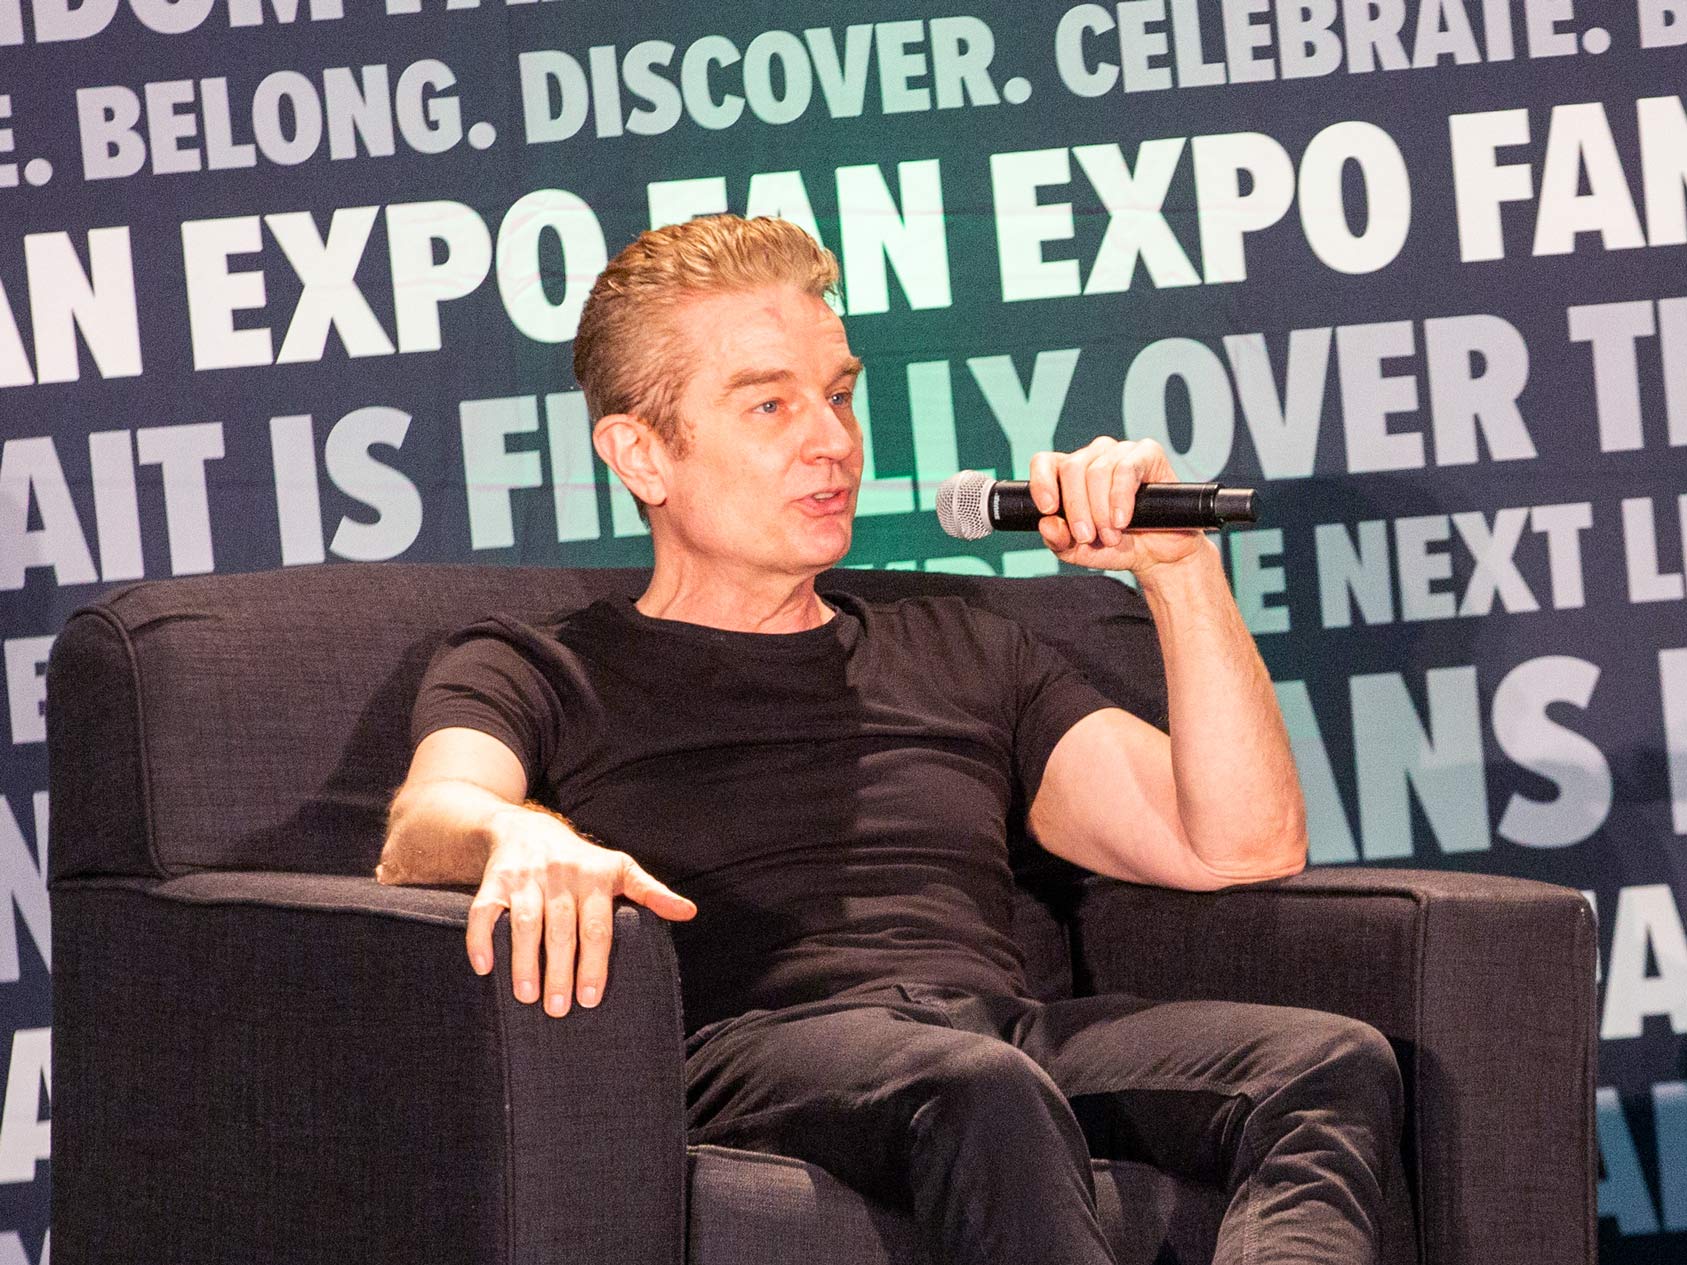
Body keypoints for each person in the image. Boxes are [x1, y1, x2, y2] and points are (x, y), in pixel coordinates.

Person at [376, 214, 1405, 1264]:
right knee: (978, 1086)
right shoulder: (542, 664)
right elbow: (426, 819)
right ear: (642, 452)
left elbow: (1236, 843)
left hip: (991, 1029)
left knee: (1325, 1058)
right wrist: (518, 833)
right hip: (754, 1049)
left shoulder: (962, 643)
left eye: (838, 394)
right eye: (769, 403)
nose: (830, 439)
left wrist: (1179, 572)